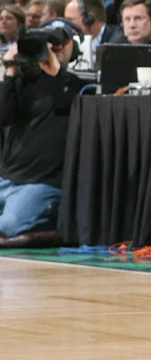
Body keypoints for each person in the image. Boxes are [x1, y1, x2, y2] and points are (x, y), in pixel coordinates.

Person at [0, 19, 84, 246]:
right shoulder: (21, 81)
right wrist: (9, 72)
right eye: (47, 43)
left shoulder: (78, 85)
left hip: (43, 182)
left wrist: (55, 72)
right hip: (8, 178)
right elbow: (3, 117)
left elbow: (70, 100)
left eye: (60, 43)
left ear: (74, 47)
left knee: (7, 226)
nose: (53, 48)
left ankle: (52, 220)